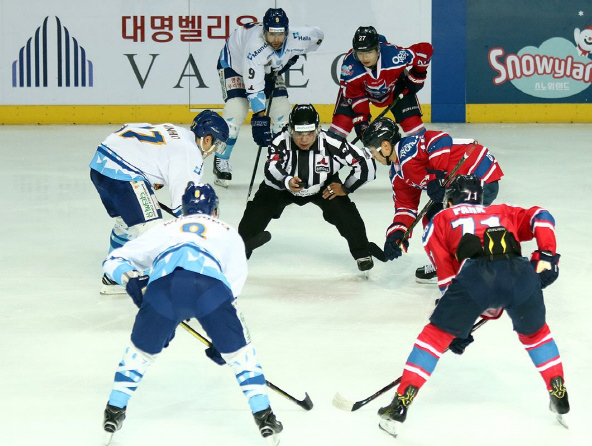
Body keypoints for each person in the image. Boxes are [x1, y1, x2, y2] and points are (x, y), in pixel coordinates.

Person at [377, 175, 568, 437]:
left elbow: (448, 281)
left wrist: (458, 327)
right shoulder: (501, 211)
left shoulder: (439, 221)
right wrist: (547, 254)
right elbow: (542, 215)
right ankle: (559, 393)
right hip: (521, 275)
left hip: (477, 278)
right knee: (536, 335)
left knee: (434, 338)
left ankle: (400, 405)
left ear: (451, 199)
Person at [101, 182, 283, 445]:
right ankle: (264, 416)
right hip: (210, 290)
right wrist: (224, 341)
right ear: (215, 211)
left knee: (139, 355)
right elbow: (231, 292)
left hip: (162, 290)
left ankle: (115, 410)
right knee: (242, 355)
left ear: (183, 211)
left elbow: (112, 262)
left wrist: (130, 279)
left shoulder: (163, 228)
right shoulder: (228, 231)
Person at [89, 111, 229, 294]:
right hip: (124, 174)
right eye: (217, 144)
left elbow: (136, 136)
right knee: (153, 229)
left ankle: (114, 276)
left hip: (101, 165)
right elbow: (186, 209)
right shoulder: (190, 155)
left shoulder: (178, 132)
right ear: (207, 139)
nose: (214, 151)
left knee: (126, 223)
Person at [361, 117, 504, 283]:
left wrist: (436, 176)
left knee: (452, 223)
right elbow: (405, 208)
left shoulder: (408, 149)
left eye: (372, 150)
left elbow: (440, 139)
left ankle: (468, 272)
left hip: (478, 174)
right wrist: (396, 235)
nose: (373, 156)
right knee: (432, 220)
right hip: (457, 186)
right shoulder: (397, 174)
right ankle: (445, 266)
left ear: (385, 146)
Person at [238, 104, 377, 271]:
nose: (304, 139)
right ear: (290, 129)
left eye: (309, 133)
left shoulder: (333, 142)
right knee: (256, 212)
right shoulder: (280, 141)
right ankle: (236, 253)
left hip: (323, 187)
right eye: (298, 133)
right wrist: (287, 181)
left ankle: (362, 252)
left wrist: (346, 188)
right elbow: (271, 168)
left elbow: (365, 164)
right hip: (281, 188)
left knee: (345, 213)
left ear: (317, 129)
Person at [215, 8, 324, 187]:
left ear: (287, 32)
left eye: (280, 35)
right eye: (271, 35)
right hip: (232, 65)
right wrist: (260, 117)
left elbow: (318, 36)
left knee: (281, 111)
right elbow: (254, 88)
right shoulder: (255, 47)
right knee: (236, 110)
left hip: (266, 67)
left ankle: (281, 162)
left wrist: (291, 55)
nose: (276, 40)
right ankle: (221, 159)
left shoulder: (298, 37)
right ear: (264, 32)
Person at [329, 25, 433, 142]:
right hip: (360, 91)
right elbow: (355, 96)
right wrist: (362, 122)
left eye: (368, 52)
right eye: (360, 53)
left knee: (414, 127)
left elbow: (425, 50)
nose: (364, 57)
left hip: (395, 88)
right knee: (339, 127)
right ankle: (328, 156)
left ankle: (422, 154)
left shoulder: (394, 56)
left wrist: (417, 76)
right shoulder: (349, 67)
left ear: (378, 49)